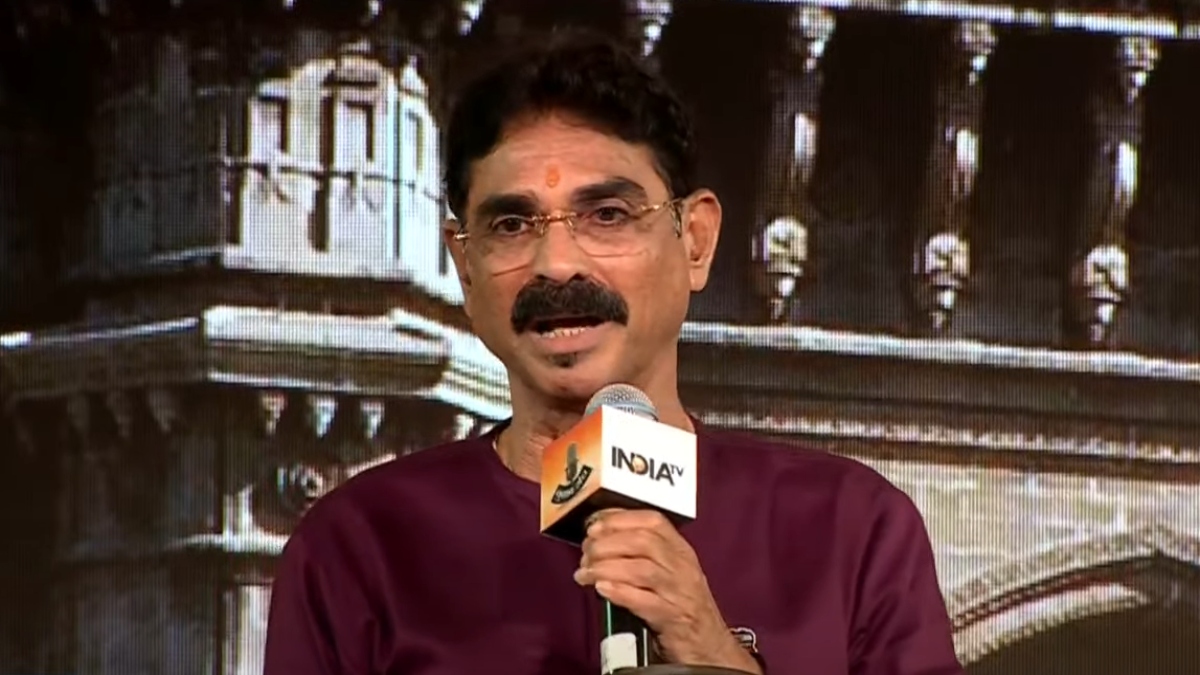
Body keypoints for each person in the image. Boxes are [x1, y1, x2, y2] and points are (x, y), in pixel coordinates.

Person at [262, 30, 964, 675]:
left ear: (695, 241)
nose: (557, 263)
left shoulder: (848, 531)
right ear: (465, 265)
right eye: (511, 224)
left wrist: (715, 654)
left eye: (607, 215)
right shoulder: (361, 546)